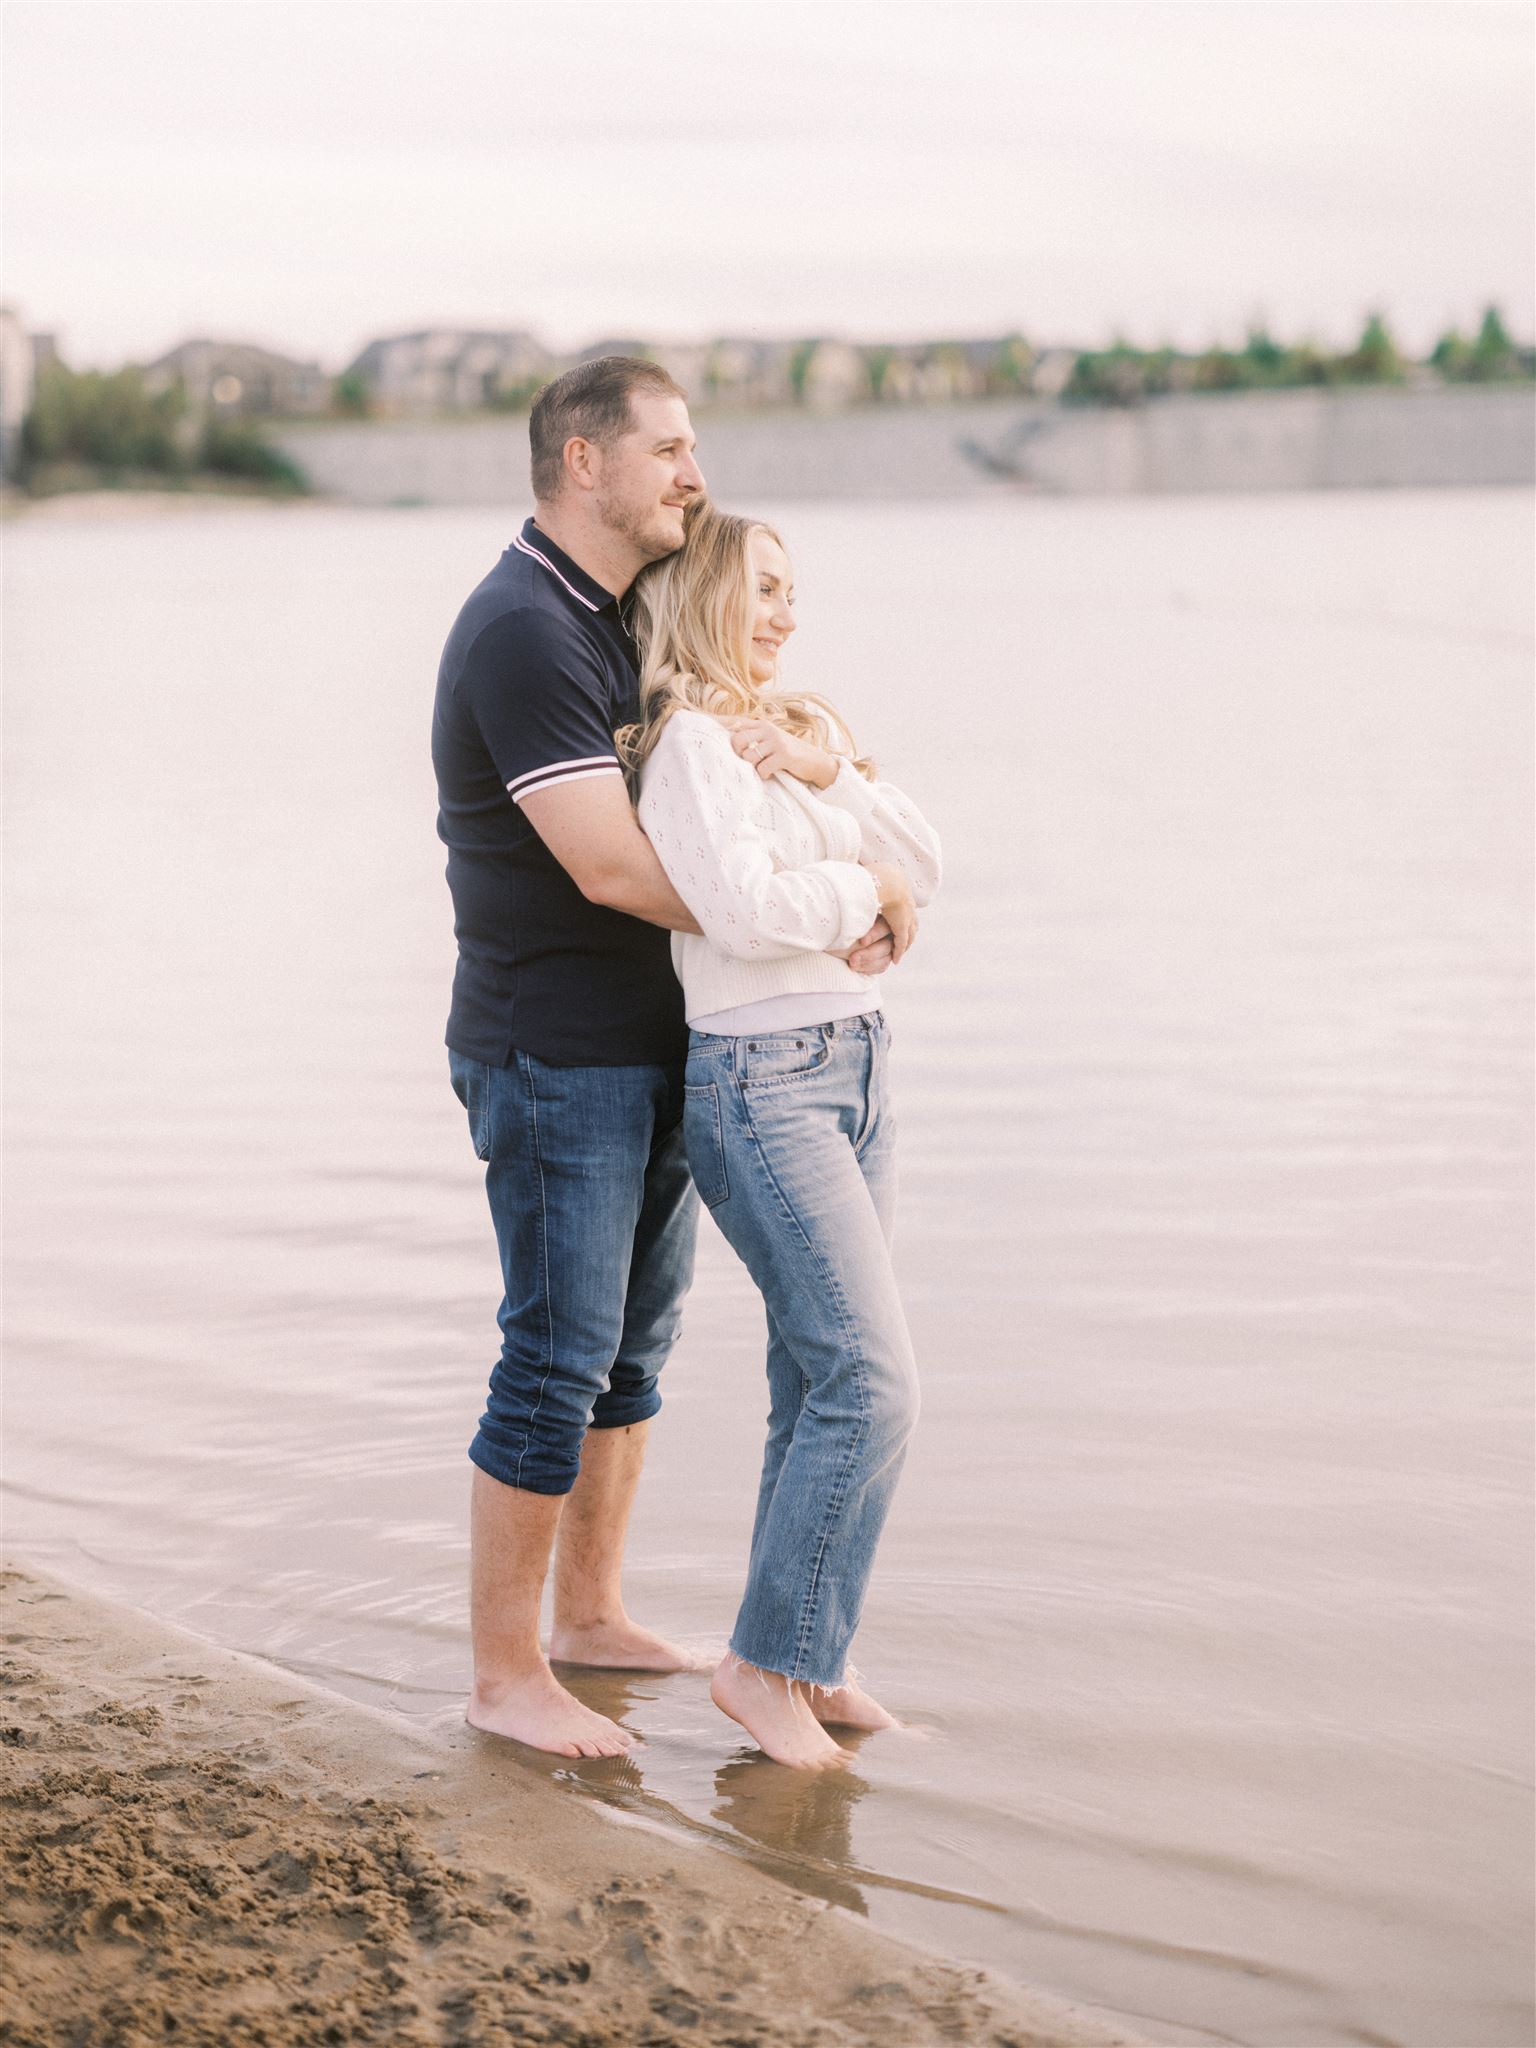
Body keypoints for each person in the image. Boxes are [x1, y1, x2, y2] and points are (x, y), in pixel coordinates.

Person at [432, 360, 897, 1760]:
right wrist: (808, 918)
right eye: (671, 450)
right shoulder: (524, 629)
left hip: (660, 1044)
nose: (694, 474)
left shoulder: (623, 618)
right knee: (554, 1354)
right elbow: (614, 864)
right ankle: (506, 1675)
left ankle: (590, 1617)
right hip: (552, 1050)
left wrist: (824, 825)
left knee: (633, 1351)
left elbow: (719, 794)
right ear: (586, 462)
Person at [625, 500, 942, 1768]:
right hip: (763, 1077)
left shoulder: (793, 738)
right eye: (762, 587)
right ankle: (762, 1665)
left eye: (792, 591)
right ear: (705, 591)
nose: (786, 613)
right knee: (875, 1383)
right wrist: (867, 889)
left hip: (857, 1064)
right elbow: (744, 911)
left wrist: (833, 778)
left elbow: (929, 855)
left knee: (814, 1382)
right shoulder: (689, 746)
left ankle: (808, 1656)